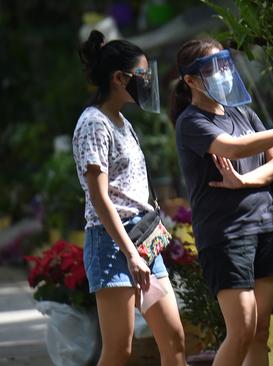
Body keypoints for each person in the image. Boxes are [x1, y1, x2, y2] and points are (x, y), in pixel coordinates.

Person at [170, 38, 273, 366]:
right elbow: (233, 148)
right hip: (226, 236)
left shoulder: (243, 112)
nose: (222, 73)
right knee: (242, 329)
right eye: (210, 68)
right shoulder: (190, 122)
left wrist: (244, 181)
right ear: (190, 80)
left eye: (224, 65)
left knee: (260, 331)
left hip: (264, 227)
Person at [73, 30, 186, 366]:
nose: (148, 82)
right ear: (119, 79)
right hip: (112, 243)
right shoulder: (93, 123)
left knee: (174, 340)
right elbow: (99, 197)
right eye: (142, 75)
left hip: (142, 239)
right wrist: (130, 254)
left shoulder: (122, 121)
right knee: (119, 351)